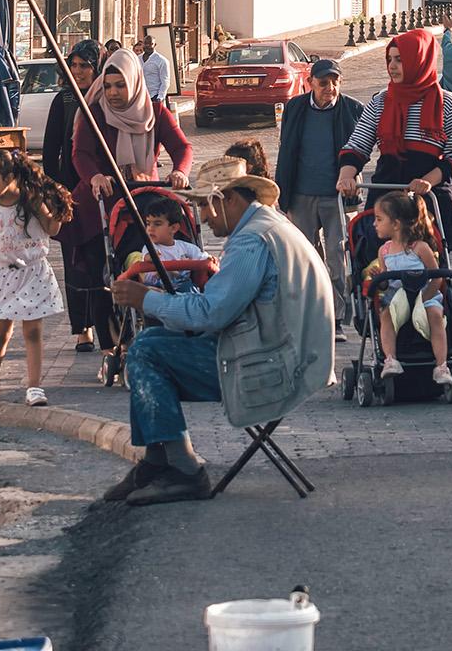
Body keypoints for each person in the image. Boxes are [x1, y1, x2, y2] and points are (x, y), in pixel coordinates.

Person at [106, 156, 335, 506]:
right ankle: (160, 461)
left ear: (227, 199)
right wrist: (160, 302)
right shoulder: (267, 226)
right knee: (150, 342)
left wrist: (147, 301)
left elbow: (212, 313)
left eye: (205, 207)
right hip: (285, 349)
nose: (203, 217)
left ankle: (180, 468)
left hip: (276, 366)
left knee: (145, 352)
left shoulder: (252, 241)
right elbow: (219, 306)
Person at [65, 49, 194, 368]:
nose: (113, 93)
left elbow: (183, 147)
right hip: (101, 201)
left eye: (120, 86)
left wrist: (180, 171)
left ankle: (162, 329)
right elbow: (80, 153)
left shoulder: (156, 112)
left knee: (149, 266)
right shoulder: (95, 113)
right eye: (108, 86)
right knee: (102, 271)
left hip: (142, 197)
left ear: (134, 82)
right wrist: (95, 175)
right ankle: (111, 346)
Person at [335, 28, 452, 250]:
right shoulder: (381, 101)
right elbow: (357, 144)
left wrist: (426, 181)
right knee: (373, 252)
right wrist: (346, 176)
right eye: (389, 59)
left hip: (429, 195)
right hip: (386, 194)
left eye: (400, 59)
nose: (392, 66)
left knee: (430, 254)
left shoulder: (448, 103)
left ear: (419, 60)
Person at [0, 149, 70, 409]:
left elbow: (52, 229)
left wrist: (57, 207)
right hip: (3, 275)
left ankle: (34, 386)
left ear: (10, 177)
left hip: (33, 273)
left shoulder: (32, 201)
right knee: (0, 332)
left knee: (33, 331)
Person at [273, 57, 363, 336]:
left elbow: (362, 150)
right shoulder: (295, 108)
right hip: (301, 194)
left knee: (337, 255)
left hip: (335, 196)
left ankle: (335, 317)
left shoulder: (352, 109)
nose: (330, 88)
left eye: (335, 82)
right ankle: (311, 313)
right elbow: (286, 151)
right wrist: (283, 196)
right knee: (306, 257)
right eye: (323, 82)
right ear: (310, 83)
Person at [41, 40, 103, 346]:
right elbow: (51, 149)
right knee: (75, 261)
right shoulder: (64, 99)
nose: (77, 71)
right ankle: (82, 328)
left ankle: (109, 325)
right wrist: (53, 191)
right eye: (73, 65)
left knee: (105, 260)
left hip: (105, 192)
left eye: (85, 66)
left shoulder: (108, 98)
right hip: (71, 192)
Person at [370, 189, 452, 387]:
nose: (375, 224)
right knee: (386, 315)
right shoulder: (384, 251)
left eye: (379, 219)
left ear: (396, 224)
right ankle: (391, 359)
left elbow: (436, 277)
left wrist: (426, 297)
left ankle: (441, 365)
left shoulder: (420, 248)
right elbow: (386, 284)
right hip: (397, 298)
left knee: (434, 315)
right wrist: (379, 279)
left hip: (424, 296)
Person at [114, 193, 215, 294]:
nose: (150, 228)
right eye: (148, 223)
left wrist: (209, 259)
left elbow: (202, 258)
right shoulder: (150, 248)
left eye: (157, 224)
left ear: (174, 228)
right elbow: (146, 261)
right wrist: (148, 259)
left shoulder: (185, 247)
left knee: (193, 290)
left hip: (183, 287)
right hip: (157, 288)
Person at [139, 34, 174, 111]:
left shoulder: (161, 61)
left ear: (155, 45)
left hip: (154, 96)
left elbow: (165, 81)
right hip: (140, 97)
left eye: (150, 43)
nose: (147, 45)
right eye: (145, 43)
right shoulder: (137, 59)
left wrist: (160, 97)